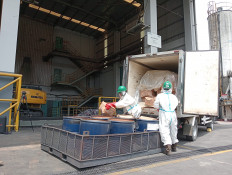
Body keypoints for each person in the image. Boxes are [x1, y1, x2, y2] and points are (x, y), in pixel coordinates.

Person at [154, 81, 178, 155]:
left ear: (163, 88)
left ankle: (168, 148)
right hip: (173, 114)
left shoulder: (160, 96)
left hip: (164, 114)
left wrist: (159, 108)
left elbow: (156, 105)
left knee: (164, 130)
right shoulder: (174, 97)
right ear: (171, 88)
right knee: (173, 129)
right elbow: (176, 104)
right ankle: (174, 145)